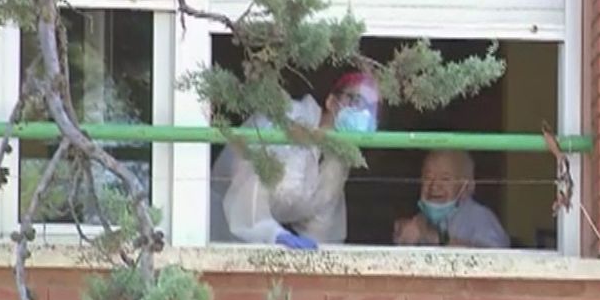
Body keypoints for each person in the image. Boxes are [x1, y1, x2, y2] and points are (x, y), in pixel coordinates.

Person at [209, 72, 381, 250]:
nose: (365, 114)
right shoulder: (286, 121)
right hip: (221, 227)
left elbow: (324, 227)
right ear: (330, 102)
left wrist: (318, 257)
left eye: (373, 109)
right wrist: (274, 235)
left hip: (266, 244)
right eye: (357, 101)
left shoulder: (336, 162)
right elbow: (246, 189)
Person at [393, 149, 510, 249]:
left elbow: (495, 261)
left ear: (466, 187)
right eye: (428, 178)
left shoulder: (480, 217)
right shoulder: (421, 219)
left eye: (445, 179)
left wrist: (435, 238)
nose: (434, 186)